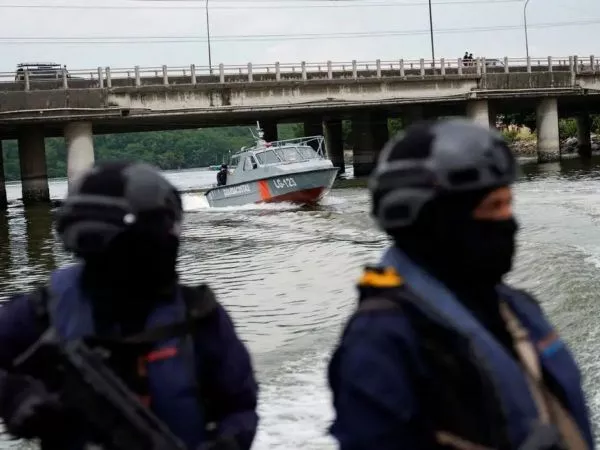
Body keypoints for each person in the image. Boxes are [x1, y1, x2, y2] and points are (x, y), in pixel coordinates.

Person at [327, 119, 593, 450]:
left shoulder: (515, 307)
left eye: (508, 205)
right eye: (493, 207)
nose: (508, 222)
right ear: (436, 219)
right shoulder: (381, 340)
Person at [0, 161, 259, 450]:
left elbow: (240, 406)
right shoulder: (43, 311)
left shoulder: (198, 316)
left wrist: (229, 442)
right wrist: (14, 394)